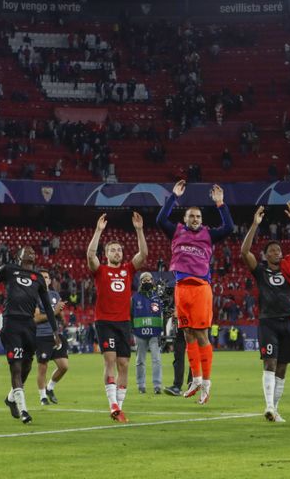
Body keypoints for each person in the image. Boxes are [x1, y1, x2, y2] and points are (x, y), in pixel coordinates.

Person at [157, 181, 233, 404]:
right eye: (191, 216)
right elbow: (160, 219)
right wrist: (174, 197)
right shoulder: (176, 231)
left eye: (198, 217)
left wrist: (220, 203)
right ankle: (196, 379)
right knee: (187, 333)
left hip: (200, 288)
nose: (195, 220)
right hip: (181, 289)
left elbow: (228, 227)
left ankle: (207, 384)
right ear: (185, 219)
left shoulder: (209, 235)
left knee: (201, 335)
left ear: (202, 220)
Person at [0, 246, 60, 424]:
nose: (32, 252)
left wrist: (55, 331)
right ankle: (23, 410)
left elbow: (48, 307)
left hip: (29, 325)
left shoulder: (39, 278)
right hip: (11, 324)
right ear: (18, 256)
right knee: (16, 367)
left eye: (34, 251)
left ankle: (11, 398)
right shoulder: (8, 270)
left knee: (26, 366)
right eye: (27, 250)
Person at [241, 202, 290, 422]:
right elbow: (244, 252)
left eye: (279, 250)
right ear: (265, 255)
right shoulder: (260, 271)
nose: (276, 253)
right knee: (270, 363)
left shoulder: (289, 266)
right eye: (272, 251)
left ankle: (275, 408)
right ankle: (269, 406)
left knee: (282, 367)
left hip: (288, 323)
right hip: (268, 322)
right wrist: (254, 225)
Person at [87, 212, 147, 422]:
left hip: (123, 322)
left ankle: (118, 407)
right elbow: (90, 256)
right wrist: (98, 231)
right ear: (106, 254)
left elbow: (143, 255)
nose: (117, 252)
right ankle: (112, 404)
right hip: (104, 321)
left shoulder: (128, 270)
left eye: (119, 250)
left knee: (124, 364)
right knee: (110, 360)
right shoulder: (100, 270)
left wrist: (139, 230)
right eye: (112, 250)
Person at [34, 269, 68, 406]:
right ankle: (42, 397)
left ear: (49, 280)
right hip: (41, 335)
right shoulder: (34, 296)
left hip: (56, 335)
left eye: (47, 277)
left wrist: (60, 313)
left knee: (64, 366)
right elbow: (36, 318)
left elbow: (62, 319)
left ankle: (50, 387)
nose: (45, 279)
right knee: (43, 367)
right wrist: (54, 312)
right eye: (42, 277)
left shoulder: (54, 294)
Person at [132, 272, 163, 394]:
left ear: (152, 281)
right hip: (139, 333)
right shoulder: (135, 298)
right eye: (144, 280)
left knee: (157, 360)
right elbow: (130, 315)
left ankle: (157, 385)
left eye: (148, 279)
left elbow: (162, 315)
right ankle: (141, 385)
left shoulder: (157, 298)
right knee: (140, 360)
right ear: (140, 282)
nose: (146, 282)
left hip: (154, 333)